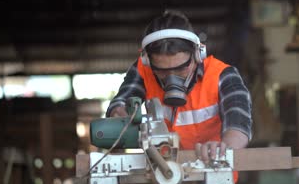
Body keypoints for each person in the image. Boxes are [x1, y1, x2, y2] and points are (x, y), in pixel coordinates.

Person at [106, 10, 252, 168]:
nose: (172, 77)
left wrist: (225, 148)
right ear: (147, 61)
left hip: (213, 171)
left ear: (197, 55)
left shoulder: (222, 76)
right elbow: (120, 101)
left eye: (181, 68)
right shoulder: (144, 70)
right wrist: (119, 112)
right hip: (162, 172)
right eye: (162, 71)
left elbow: (238, 122)